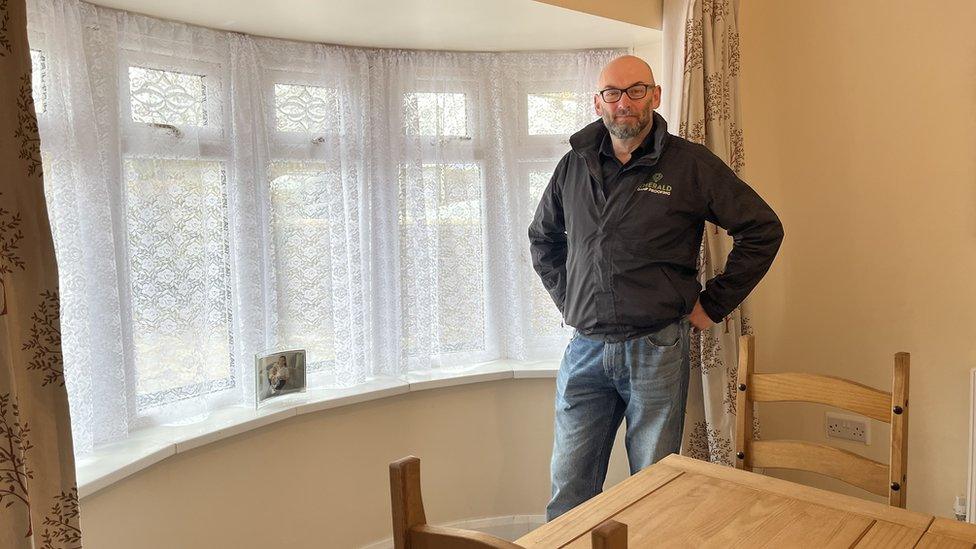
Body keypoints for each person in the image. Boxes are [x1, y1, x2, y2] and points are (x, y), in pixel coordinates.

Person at [528, 55, 784, 521]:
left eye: (636, 90)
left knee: (652, 489)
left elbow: (763, 229)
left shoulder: (689, 165)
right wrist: (570, 300)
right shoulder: (573, 165)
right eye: (613, 93)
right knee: (569, 488)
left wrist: (713, 304)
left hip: (657, 348)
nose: (623, 103)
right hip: (584, 350)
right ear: (598, 101)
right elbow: (543, 238)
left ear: (656, 96)